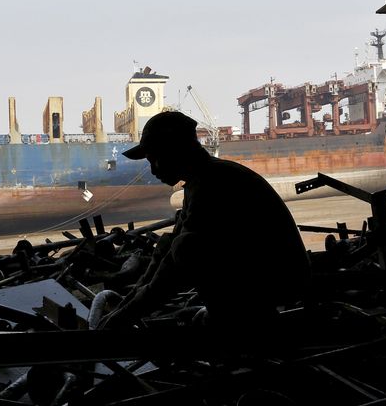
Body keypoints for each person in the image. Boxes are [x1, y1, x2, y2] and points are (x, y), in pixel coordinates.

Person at [98, 111, 311, 331]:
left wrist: (123, 318)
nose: (153, 170)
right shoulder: (203, 180)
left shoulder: (212, 185)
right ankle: (229, 315)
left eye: (155, 159)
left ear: (174, 150)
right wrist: (125, 307)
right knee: (177, 244)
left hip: (279, 283)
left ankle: (232, 321)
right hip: (269, 276)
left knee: (187, 248)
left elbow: (173, 268)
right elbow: (166, 252)